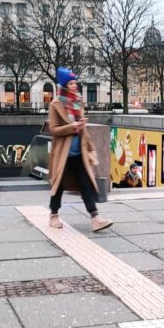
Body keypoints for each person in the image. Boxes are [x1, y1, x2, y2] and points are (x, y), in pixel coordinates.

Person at [47, 67, 112, 231]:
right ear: (64, 85)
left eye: (75, 82)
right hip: (64, 152)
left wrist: (88, 142)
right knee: (59, 184)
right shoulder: (55, 104)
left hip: (79, 151)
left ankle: (95, 217)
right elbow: (53, 129)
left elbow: (82, 130)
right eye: (71, 83)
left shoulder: (77, 101)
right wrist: (72, 127)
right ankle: (53, 215)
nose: (75, 86)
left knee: (85, 183)